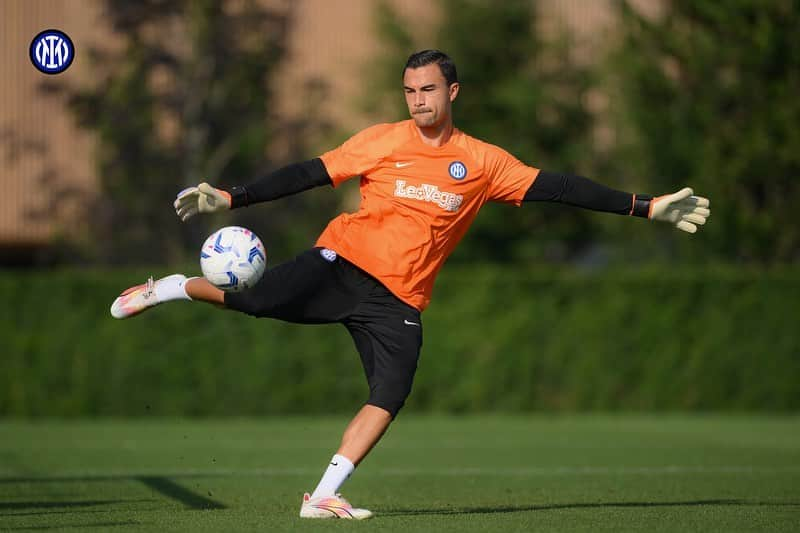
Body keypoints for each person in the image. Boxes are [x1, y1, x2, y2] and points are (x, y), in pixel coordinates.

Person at [110, 50, 710, 519]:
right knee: (257, 301)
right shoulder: (381, 140)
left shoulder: (484, 163)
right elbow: (308, 173)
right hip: (342, 262)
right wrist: (231, 196)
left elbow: (558, 187)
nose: (418, 99)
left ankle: (320, 498)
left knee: (391, 392)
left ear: (451, 92)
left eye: (428, 89)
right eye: (410, 90)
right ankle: (171, 288)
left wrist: (645, 205)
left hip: (400, 298)